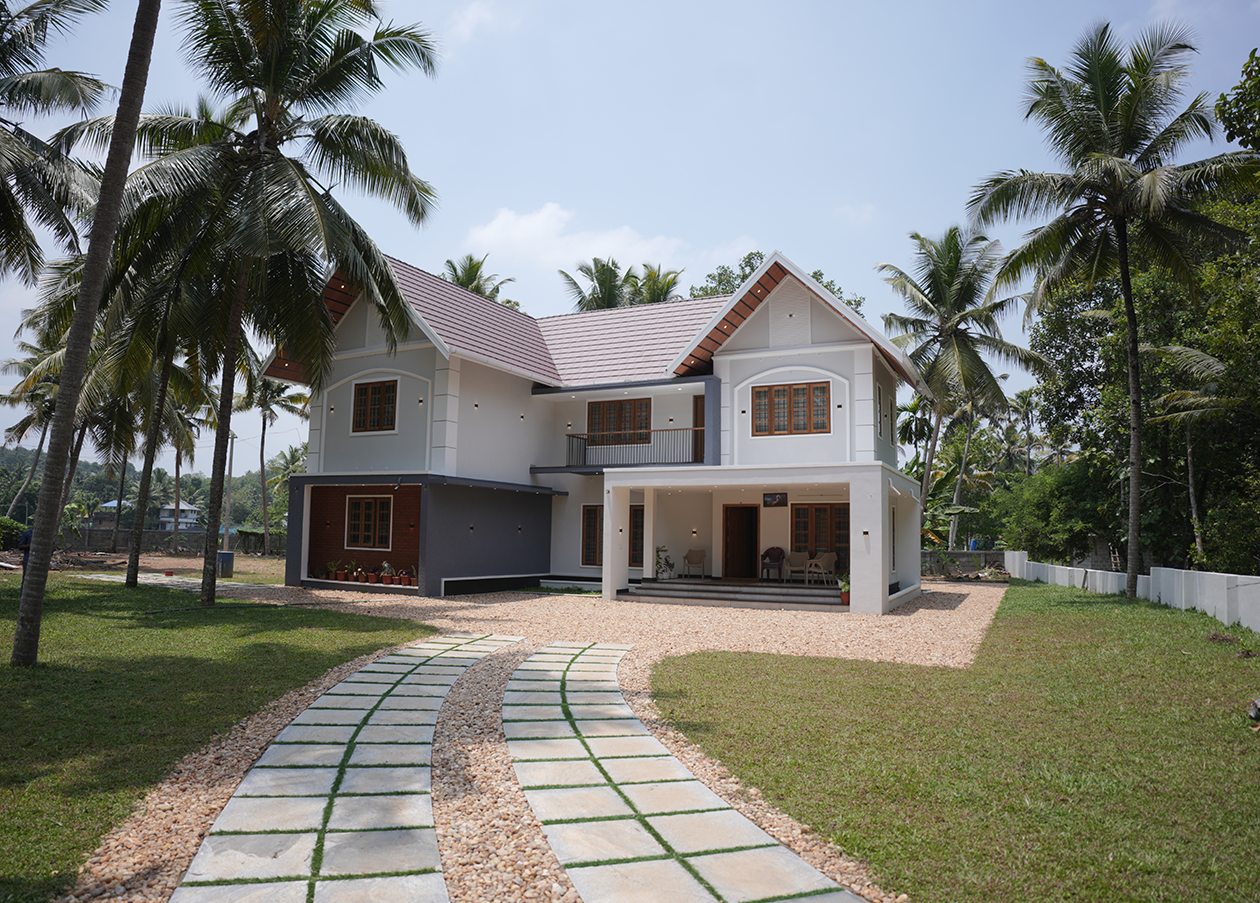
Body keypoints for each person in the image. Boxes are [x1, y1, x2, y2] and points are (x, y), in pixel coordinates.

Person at [18, 523, 32, 594]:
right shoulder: (27, 533)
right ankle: (22, 596)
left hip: (39, 562)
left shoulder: (45, 535)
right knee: (26, 579)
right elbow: (20, 547)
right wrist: (30, 545)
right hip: (27, 560)